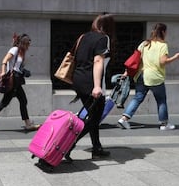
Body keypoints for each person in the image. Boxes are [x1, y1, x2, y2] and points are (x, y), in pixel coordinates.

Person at [66, 14, 114, 161]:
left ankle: (97, 148)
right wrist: (97, 86)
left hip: (78, 80)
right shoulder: (103, 38)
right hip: (90, 83)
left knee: (93, 115)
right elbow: (98, 60)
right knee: (94, 118)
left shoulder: (83, 37)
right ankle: (67, 145)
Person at [118, 23, 179, 131]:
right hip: (155, 77)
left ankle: (124, 119)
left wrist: (126, 72)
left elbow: (135, 59)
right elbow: (162, 61)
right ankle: (164, 124)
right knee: (161, 100)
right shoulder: (163, 45)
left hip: (141, 75)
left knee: (137, 98)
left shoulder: (144, 43)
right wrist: (175, 57)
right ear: (163, 32)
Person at [0, 33, 37, 132]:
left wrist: (24, 72)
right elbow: (4, 60)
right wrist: (3, 71)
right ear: (23, 43)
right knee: (7, 102)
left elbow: (17, 66)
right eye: (27, 44)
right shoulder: (15, 50)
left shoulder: (22, 52)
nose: (28, 46)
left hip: (17, 79)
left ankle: (27, 123)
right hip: (13, 80)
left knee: (21, 100)